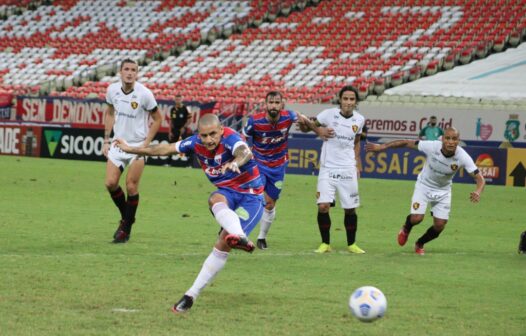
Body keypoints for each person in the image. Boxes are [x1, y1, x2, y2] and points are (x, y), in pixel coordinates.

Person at [114, 113, 265, 313]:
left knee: (223, 243)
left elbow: (244, 152)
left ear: (221, 130)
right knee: (214, 199)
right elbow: (165, 148)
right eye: (204, 136)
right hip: (228, 193)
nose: (209, 139)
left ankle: (192, 292)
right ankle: (191, 295)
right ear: (198, 135)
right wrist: (131, 149)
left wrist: (236, 162)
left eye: (213, 134)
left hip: (251, 196)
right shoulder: (194, 143)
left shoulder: (230, 137)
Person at [366, 127, 485, 255]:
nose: (451, 142)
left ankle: (420, 243)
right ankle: (406, 228)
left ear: (458, 141)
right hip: (424, 186)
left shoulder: (462, 156)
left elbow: (480, 178)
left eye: (454, 139)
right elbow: (406, 142)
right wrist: (382, 147)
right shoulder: (432, 146)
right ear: (443, 139)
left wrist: (478, 191)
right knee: (417, 218)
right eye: (448, 138)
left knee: (440, 225)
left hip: (443, 191)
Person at [103, 58, 162, 243]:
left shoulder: (145, 94)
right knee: (110, 183)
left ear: (137, 73)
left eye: (133, 70)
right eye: (126, 69)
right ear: (120, 72)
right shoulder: (112, 90)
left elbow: (158, 119)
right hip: (118, 143)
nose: (130, 73)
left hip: (137, 146)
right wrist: (106, 140)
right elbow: (110, 112)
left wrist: (146, 144)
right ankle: (128, 218)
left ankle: (125, 228)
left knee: (131, 186)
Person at [301, 85, 366, 254]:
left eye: (352, 99)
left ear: (356, 102)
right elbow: (307, 127)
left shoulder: (359, 120)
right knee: (323, 206)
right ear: (340, 99)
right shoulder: (328, 114)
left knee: (350, 208)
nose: (348, 102)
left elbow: (357, 141)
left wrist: (357, 161)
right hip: (327, 168)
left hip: (348, 169)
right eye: (345, 98)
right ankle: (325, 243)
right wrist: (318, 129)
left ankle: (351, 244)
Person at [242, 91, 310, 249]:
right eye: (270, 102)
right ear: (265, 104)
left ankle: (261, 238)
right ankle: (239, 232)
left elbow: (302, 118)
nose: (273, 105)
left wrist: (313, 126)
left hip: (278, 167)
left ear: (282, 105)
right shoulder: (255, 121)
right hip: (258, 164)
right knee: (255, 198)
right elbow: (242, 137)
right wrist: (242, 155)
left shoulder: (288, 117)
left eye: (277, 102)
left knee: (270, 203)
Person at [168, 94, 192, 164]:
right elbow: (171, 121)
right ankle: (168, 163)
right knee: (171, 146)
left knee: (186, 146)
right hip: (174, 130)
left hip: (183, 130)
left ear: (182, 99)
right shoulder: (172, 109)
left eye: (179, 99)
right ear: (174, 100)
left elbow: (190, 120)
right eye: (176, 99)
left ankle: (189, 164)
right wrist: (170, 131)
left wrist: (184, 127)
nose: (177, 100)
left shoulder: (186, 108)